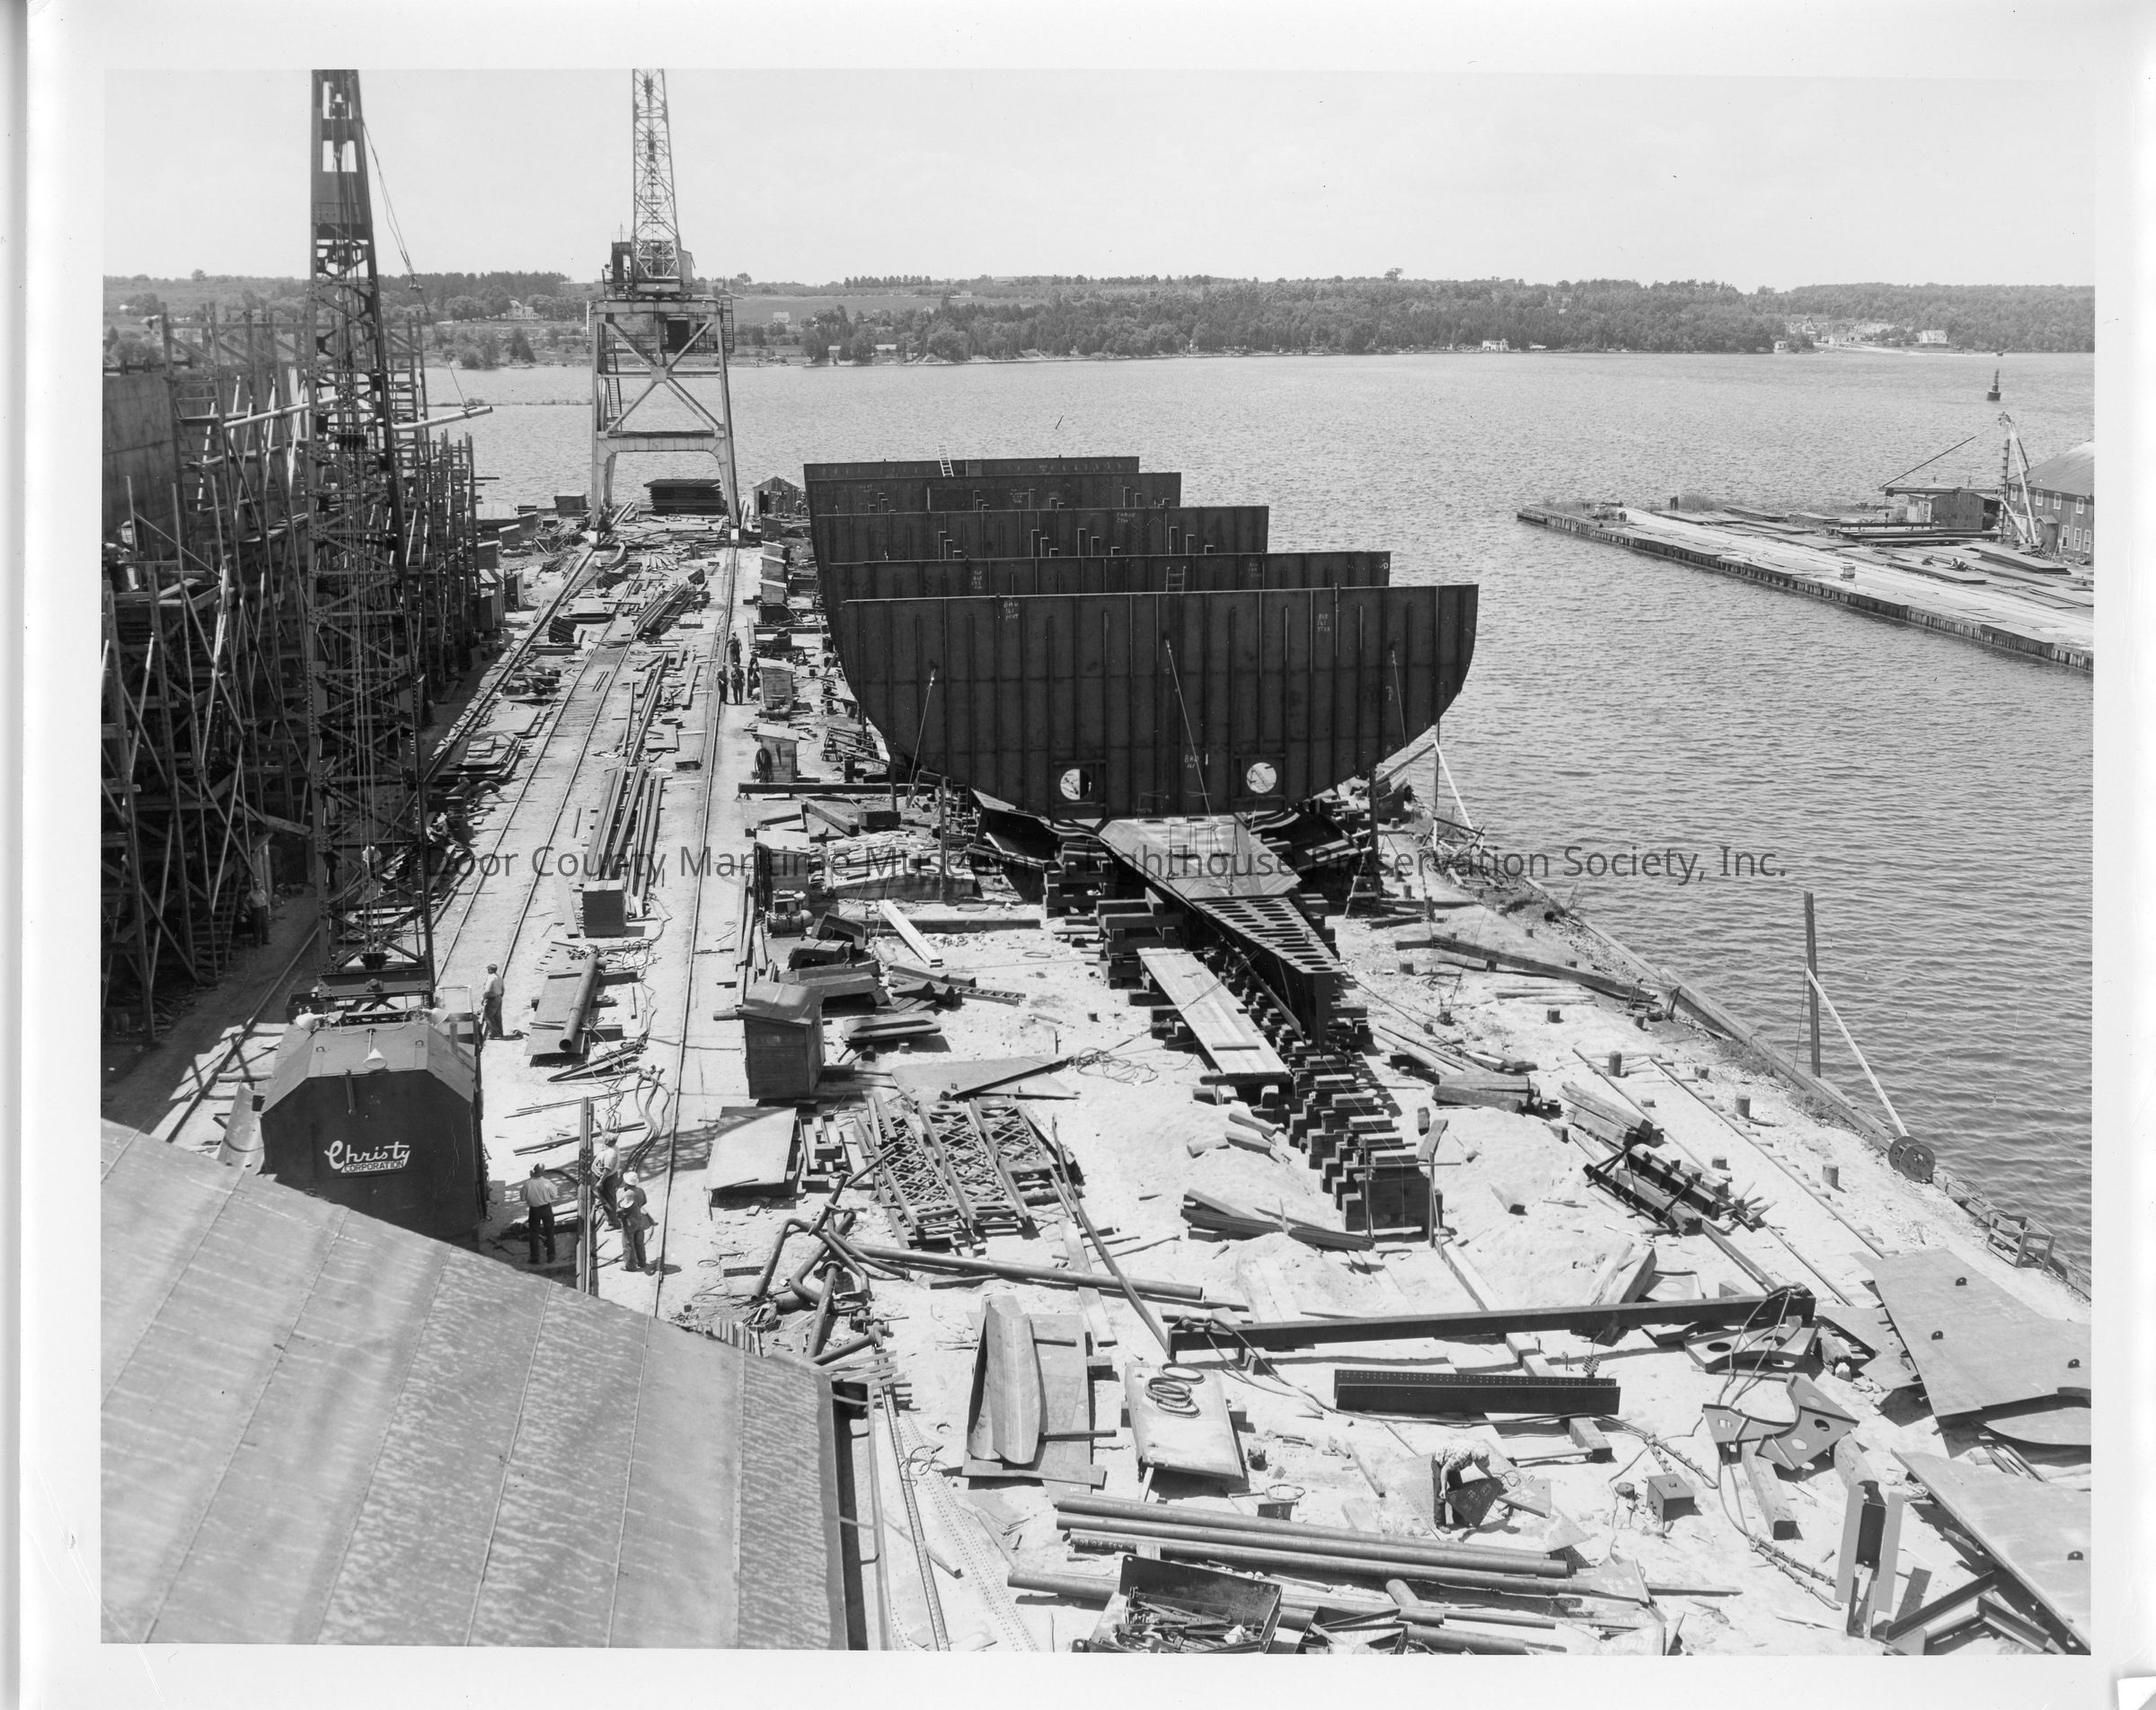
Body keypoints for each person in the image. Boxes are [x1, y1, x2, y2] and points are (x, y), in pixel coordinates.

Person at [521, 1165, 559, 1267]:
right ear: (543, 1172)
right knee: (549, 1231)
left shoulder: (527, 1184)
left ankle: (535, 1258)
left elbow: (522, 1198)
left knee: (534, 1233)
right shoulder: (547, 1183)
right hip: (546, 1209)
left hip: (534, 1210)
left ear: (533, 1172)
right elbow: (554, 1195)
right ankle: (551, 1255)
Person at [616, 1170, 650, 1274]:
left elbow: (621, 1208)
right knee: (639, 1242)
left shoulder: (626, 1194)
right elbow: (644, 1202)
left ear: (626, 1183)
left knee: (628, 1244)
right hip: (639, 1220)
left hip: (629, 1222)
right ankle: (642, 1262)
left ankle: (630, 1265)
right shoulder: (640, 1191)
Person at [589, 1137, 623, 1229]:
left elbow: (607, 1169)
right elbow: (605, 1135)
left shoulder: (610, 1154)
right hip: (607, 1177)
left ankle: (613, 1223)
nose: (603, 1141)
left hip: (606, 1179)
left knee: (607, 1201)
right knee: (610, 1197)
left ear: (608, 1142)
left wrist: (600, 1182)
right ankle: (612, 1214)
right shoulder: (613, 1147)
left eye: (605, 1140)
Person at [482, 965, 506, 1039]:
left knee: (488, 1016)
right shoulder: (499, 977)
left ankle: (495, 1033)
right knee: (498, 1017)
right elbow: (503, 989)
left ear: (491, 970)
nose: (487, 971)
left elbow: (488, 990)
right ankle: (500, 1033)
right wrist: (499, 997)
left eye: (488, 969)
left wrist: (483, 998)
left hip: (492, 999)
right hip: (499, 998)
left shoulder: (490, 978)